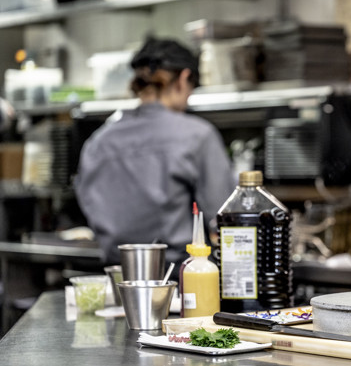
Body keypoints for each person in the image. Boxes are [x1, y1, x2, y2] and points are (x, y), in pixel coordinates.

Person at [75, 37, 236, 276]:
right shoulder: (196, 135)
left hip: (119, 277)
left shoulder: (98, 141)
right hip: (182, 279)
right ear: (183, 78)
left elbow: (87, 202)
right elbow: (225, 215)